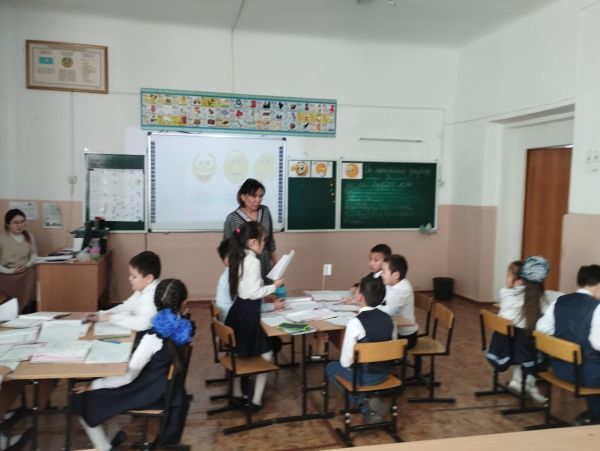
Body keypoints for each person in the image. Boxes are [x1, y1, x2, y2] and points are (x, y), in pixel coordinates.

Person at [72, 278, 193, 451]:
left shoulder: (153, 337)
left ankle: (104, 447)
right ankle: (114, 435)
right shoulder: (183, 327)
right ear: (184, 303)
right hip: (165, 387)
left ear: (155, 303)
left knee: (83, 400)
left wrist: (92, 385)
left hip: (147, 390)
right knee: (104, 387)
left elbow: (128, 377)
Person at [225, 221, 283, 410]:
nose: (264, 243)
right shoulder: (253, 261)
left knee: (238, 352)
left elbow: (247, 291)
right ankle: (256, 400)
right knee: (267, 353)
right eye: (262, 240)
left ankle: (236, 393)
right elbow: (253, 293)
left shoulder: (238, 257)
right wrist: (274, 286)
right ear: (251, 242)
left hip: (239, 310)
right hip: (249, 313)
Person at [326, 276, 397, 422]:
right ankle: (372, 400)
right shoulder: (390, 319)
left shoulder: (355, 322)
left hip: (365, 377)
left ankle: (364, 406)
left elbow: (345, 362)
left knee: (330, 367)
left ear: (359, 296)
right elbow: (393, 347)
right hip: (385, 373)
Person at [536, 264, 600, 425]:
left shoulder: (560, 301)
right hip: (586, 376)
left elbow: (541, 328)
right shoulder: (597, 308)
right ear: (599, 285)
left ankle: (594, 414)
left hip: (560, 368)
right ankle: (595, 416)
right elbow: (597, 343)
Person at [493, 257, 549, 403]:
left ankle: (519, 381)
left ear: (518, 280)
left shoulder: (505, 292)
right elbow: (547, 314)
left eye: (508, 275)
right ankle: (529, 384)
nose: (506, 278)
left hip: (505, 344)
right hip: (519, 346)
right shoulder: (536, 297)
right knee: (540, 348)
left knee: (525, 343)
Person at [86, 251, 161, 331]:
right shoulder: (143, 289)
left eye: (134, 276)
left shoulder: (152, 296)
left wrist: (111, 318)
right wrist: (100, 314)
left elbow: (143, 324)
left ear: (148, 278)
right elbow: (127, 306)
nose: (129, 279)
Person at [215, 239, 284, 322]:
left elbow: (247, 296)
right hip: (233, 322)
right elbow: (246, 307)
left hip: (233, 317)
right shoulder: (233, 276)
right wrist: (273, 306)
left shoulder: (233, 272)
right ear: (227, 261)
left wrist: (264, 297)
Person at [223, 178, 277, 283]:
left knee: (269, 291)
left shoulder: (265, 211)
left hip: (265, 264)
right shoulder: (232, 219)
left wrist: (275, 263)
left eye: (260, 196)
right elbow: (228, 245)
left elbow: (270, 240)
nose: (258, 200)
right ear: (243, 197)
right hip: (246, 267)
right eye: (254, 196)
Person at [0, 209, 38, 312]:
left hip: (25, 272)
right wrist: (11, 271)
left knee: (33, 274)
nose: (19, 225)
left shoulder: (29, 236)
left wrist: (27, 265)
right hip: (6, 274)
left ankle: (27, 309)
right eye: (16, 222)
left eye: (22, 222)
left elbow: (34, 254)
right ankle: (19, 310)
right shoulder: (1, 238)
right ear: (8, 224)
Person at [379, 254, 418, 349]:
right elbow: (381, 301)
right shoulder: (391, 284)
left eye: (384, 271)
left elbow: (387, 313)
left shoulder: (403, 290)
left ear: (395, 275)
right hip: (396, 329)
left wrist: (367, 307)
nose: (381, 274)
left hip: (406, 337)